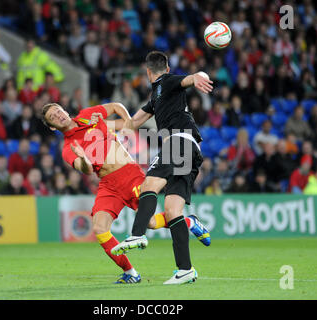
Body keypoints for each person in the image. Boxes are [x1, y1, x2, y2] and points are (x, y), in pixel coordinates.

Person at [41, 101, 210, 284]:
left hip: (130, 175)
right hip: (108, 185)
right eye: (53, 117)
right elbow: (88, 169)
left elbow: (115, 106)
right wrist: (82, 157)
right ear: (52, 127)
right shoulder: (67, 149)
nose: (58, 115)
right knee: (99, 228)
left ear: (64, 110)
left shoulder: (87, 115)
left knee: (151, 223)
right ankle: (130, 272)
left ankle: (188, 221)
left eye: (58, 111)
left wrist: (129, 124)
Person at [111, 51, 213, 284]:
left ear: (148, 72)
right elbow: (133, 122)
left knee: (149, 184)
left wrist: (199, 76)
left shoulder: (167, 82)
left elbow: (189, 78)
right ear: (166, 67)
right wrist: (104, 126)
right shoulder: (157, 97)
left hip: (178, 143)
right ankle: (185, 270)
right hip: (189, 148)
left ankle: (137, 235)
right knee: (172, 211)